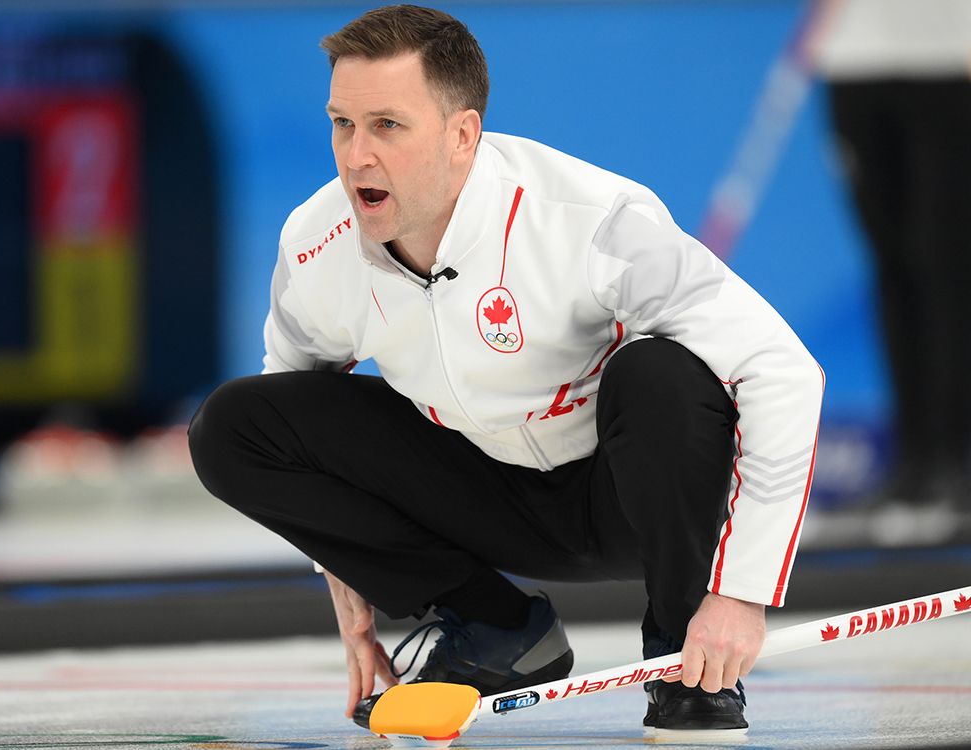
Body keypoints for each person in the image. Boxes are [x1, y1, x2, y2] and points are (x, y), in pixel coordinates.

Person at [188, 4, 824, 739]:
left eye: (387, 126)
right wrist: (349, 586)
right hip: (480, 497)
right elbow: (292, 420)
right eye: (342, 124)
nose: (356, 155)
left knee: (662, 373)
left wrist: (739, 594)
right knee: (234, 426)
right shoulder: (316, 243)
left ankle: (685, 663)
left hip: (626, 498)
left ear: (463, 135)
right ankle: (493, 628)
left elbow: (782, 370)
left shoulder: (590, 216)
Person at [810, 0, 971, 546]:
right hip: (853, 61)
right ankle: (912, 465)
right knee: (892, 264)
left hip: (952, 63)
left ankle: (957, 463)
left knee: (947, 264)